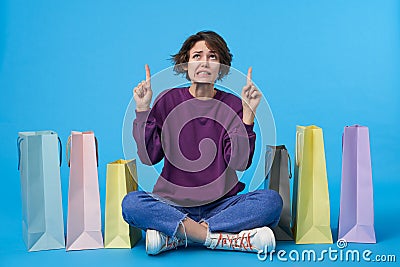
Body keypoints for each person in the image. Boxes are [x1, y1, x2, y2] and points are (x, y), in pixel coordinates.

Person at [122, 31, 283, 255]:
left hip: (221, 206)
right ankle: (220, 238)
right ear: (185, 64)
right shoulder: (167, 100)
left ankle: (178, 236)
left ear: (222, 67)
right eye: (197, 56)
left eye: (213, 57)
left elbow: (239, 163)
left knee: (271, 202)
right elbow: (149, 157)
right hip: (172, 204)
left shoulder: (234, 104)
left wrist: (248, 116)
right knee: (131, 204)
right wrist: (142, 110)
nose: (204, 62)